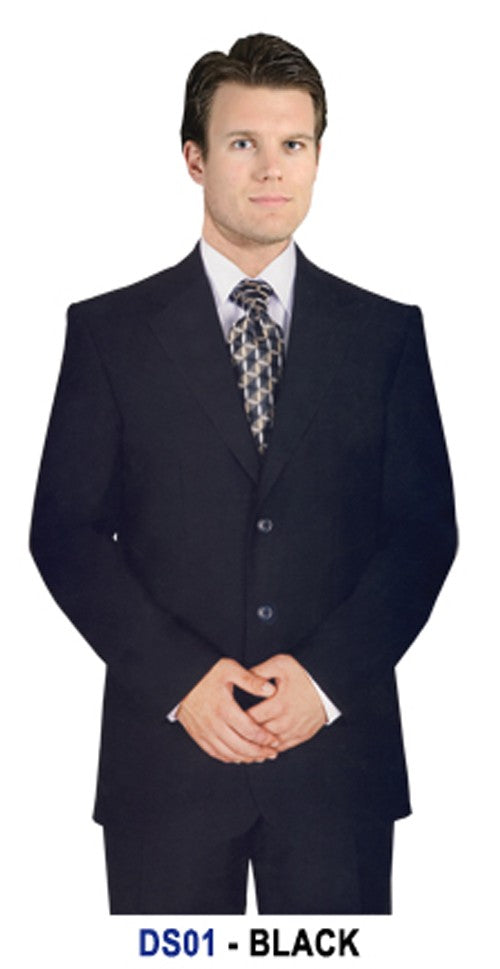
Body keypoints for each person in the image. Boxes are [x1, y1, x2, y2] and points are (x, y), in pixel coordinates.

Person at [29, 33, 457, 915]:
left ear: (318, 157)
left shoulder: (385, 336)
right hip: (167, 768)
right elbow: (65, 532)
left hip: (337, 768)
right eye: (242, 143)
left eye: (293, 143)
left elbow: (422, 534)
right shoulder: (110, 333)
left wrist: (326, 681)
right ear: (193, 158)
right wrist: (179, 681)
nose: (271, 168)